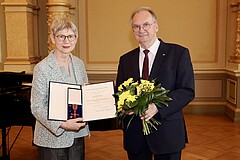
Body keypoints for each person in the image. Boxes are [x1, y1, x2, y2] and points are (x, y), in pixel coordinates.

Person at [116, 7, 195, 160]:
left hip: (168, 133)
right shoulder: (125, 60)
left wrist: (157, 107)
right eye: (136, 26)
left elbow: (187, 91)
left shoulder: (178, 54)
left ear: (156, 26)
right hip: (135, 135)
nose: (141, 30)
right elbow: (120, 93)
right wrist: (125, 107)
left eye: (146, 25)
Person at [31, 17, 89, 160]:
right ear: (52, 38)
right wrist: (62, 124)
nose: (66, 41)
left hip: (77, 134)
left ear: (76, 38)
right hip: (52, 138)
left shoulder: (79, 64)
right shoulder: (42, 68)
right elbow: (37, 107)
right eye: (61, 36)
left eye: (70, 36)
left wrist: (88, 95)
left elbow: (85, 95)